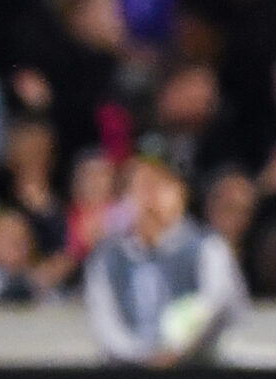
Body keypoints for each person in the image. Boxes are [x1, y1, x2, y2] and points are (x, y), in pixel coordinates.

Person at [82, 154, 248, 365]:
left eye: (159, 186)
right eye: (141, 187)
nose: (150, 198)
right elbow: (105, 324)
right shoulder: (106, 259)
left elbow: (216, 305)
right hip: (128, 377)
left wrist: (175, 350)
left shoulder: (209, 249)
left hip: (196, 375)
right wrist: (144, 356)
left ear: (180, 193)